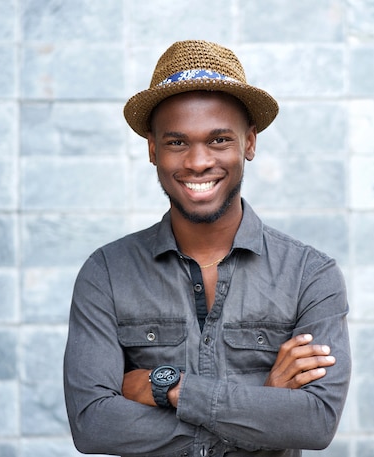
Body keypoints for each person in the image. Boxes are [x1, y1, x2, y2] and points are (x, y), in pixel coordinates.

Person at [63, 40, 351, 457]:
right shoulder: (107, 271)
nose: (198, 162)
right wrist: (261, 407)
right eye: (177, 142)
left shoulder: (311, 275)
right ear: (152, 149)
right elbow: (94, 425)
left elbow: (315, 421)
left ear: (249, 144)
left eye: (218, 140)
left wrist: (167, 386)